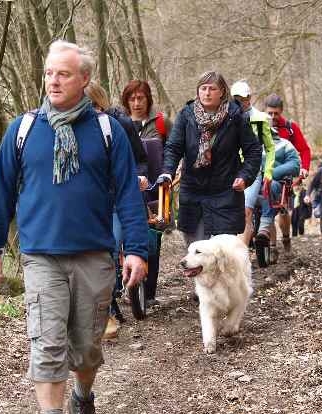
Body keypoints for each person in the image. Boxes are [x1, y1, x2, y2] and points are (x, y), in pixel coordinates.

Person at [0, 41, 148, 414]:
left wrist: (137, 249)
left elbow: (129, 193)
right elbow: (0, 192)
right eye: (50, 73)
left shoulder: (108, 132)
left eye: (64, 74)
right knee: (46, 345)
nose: (53, 81)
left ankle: (83, 395)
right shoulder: (23, 130)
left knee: (87, 348)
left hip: (94, 255)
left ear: (84, 80)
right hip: (40, 256)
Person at [158, 71, 262, 246]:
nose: (207, 93)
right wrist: (168, 172)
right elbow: (173, 147)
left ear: (222, 91)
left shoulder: (235, 116)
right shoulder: (186, 115)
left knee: (221, 253)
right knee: (197, 253)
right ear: (198, 91)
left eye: (212, 89)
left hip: (226, 192)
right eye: (203, 88)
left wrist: (245, 177)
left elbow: (253, 151)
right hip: (193, 192)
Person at [85, 80, 148, 338]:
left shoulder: (119, 125)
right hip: (89, 207)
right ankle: (103, 306)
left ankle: (106, 307)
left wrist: (137, 178)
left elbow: (140, 160)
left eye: (91, 105)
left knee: (109, 251)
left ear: (100, 104)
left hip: (117, 202)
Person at [121, 80, 173, 307]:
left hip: (157, 188)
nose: (136, 103)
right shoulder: (119, 124)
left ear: (148, 99)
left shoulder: (162, 123)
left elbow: (172, 151)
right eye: (132, 98)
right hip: (130, 186)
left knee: (154, 237)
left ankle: (149, 293)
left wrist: (170, 172)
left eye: (140, 98)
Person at [230, 80, 275, 249]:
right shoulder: (226, 117)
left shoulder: (260, 119)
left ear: (249, 98)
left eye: (243, 98)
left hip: (252, 170)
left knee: (246, 211)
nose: (241, 101)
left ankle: (241, 255)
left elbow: (270, 148)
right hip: (230, 169)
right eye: (236, 98)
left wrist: (268, 172)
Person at [263, 93, 312, 249]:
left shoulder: (290, 128)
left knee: (283, 209)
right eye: (269, 113)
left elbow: (304, 150)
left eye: (276, 113)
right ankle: (270, 244)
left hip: (285, 177)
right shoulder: (258, 126)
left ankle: (285, 238)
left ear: (281, 111)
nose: (272, 116)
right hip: (263, 174)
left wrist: (304, 169)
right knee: (265, 207)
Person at [255, 128, 301, 261]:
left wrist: (271, 173)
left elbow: (295, 165)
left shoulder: (285, 144)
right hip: (257, 184)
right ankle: (271, 246)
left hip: (277, 183)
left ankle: (284, 239)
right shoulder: (255, 147)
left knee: (271, 193)